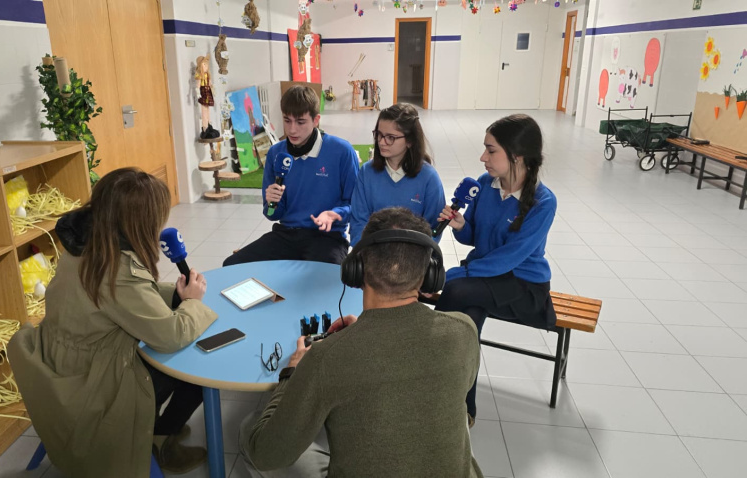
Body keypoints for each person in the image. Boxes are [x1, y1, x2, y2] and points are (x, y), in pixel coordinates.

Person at [240, 207, 484, 478]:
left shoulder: (324, 357)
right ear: (429, 274)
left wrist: (293, 373)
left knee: (250, 430)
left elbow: (266, 454)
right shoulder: (464, 330)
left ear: (356, 269)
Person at [8, 168, 219, 478]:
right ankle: (160, 438)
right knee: (198, 371)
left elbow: (122, 299)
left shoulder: (86, 243)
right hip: (96, 386)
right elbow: (171, 334)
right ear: (140, 222)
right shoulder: (116, 270)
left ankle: (158, 431)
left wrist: (174, 295)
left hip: (63, 366)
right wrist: (192, 303)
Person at [435, 114, 557, 427]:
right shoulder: (484, 185)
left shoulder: (543, 202)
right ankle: (464, 405)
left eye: (491, 151)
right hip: (484, 277)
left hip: (522, 284)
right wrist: (460, 225)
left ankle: (435, 380)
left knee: (454, 290)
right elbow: (473, 238)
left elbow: (509, 258)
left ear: (516, 156)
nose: (483, 157)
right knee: (467, 320)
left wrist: (451, 275)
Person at [223, 85, 359, 266]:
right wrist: (272, 202)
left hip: (327, 237)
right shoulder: (275, 154)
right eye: (287, 121)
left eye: (300, 122)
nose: (292, 130)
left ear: (316, 120)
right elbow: (272, 214)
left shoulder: (342, 151)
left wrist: (334, 214)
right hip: (286, 234)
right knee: (232, 265)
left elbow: (355, 205)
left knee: (323, 282)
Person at [349, 103, 445, 246]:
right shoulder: (366, 173)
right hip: (373, 253)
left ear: (410, 141)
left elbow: (433, 231)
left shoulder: (429, 177)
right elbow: (358, 223)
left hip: (413, 256)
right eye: (379, 135)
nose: (382, 142)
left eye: (390, 137)